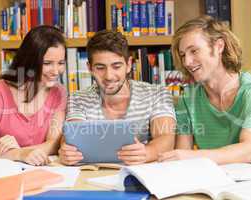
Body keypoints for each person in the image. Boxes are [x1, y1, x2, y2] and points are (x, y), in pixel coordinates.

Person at [159, 16, 251, 166]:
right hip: (214, 185)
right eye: (183, 54)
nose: (187, 62)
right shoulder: (187, 98)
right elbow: (182, 155)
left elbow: (249, 150)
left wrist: (193, 157)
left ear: (219, 47)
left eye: (194, 51)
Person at [59, 30, 176, 166]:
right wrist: (67, 152)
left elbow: (166, 138)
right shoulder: (77, 99)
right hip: (92, 177)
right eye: (100, 67)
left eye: (116, 66)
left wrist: (147, 152)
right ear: (90, 68)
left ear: (128, 65)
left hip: (141, 175)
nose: (109, 76)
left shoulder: (158, 94)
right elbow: (72, 140)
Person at [0, 25, 67, 166]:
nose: (56, 71)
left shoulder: (59, 93)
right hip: (2, 176)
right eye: (47, 63)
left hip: (41, 173)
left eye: (60, 63)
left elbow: (53, 144)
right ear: (30, 60)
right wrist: (19, 154)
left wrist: (17, 153)